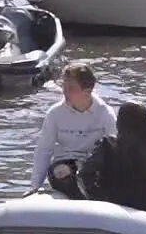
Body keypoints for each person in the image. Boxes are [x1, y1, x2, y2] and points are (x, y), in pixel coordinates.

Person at [30, 62, 118, 196]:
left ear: (87, 90)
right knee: (61, 172)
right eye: (64, 86)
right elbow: (44, 151)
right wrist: (35, 187)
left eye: (71, 88)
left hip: (92, 163)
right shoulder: (55, 113)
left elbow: (116, 149)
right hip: (65, 162)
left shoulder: (105, 113)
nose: (65, 92)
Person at [78, 101, 146, 212]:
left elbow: (85, 173)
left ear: (120, 122)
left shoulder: (108, 145)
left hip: (113, 208)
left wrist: (99, 196)